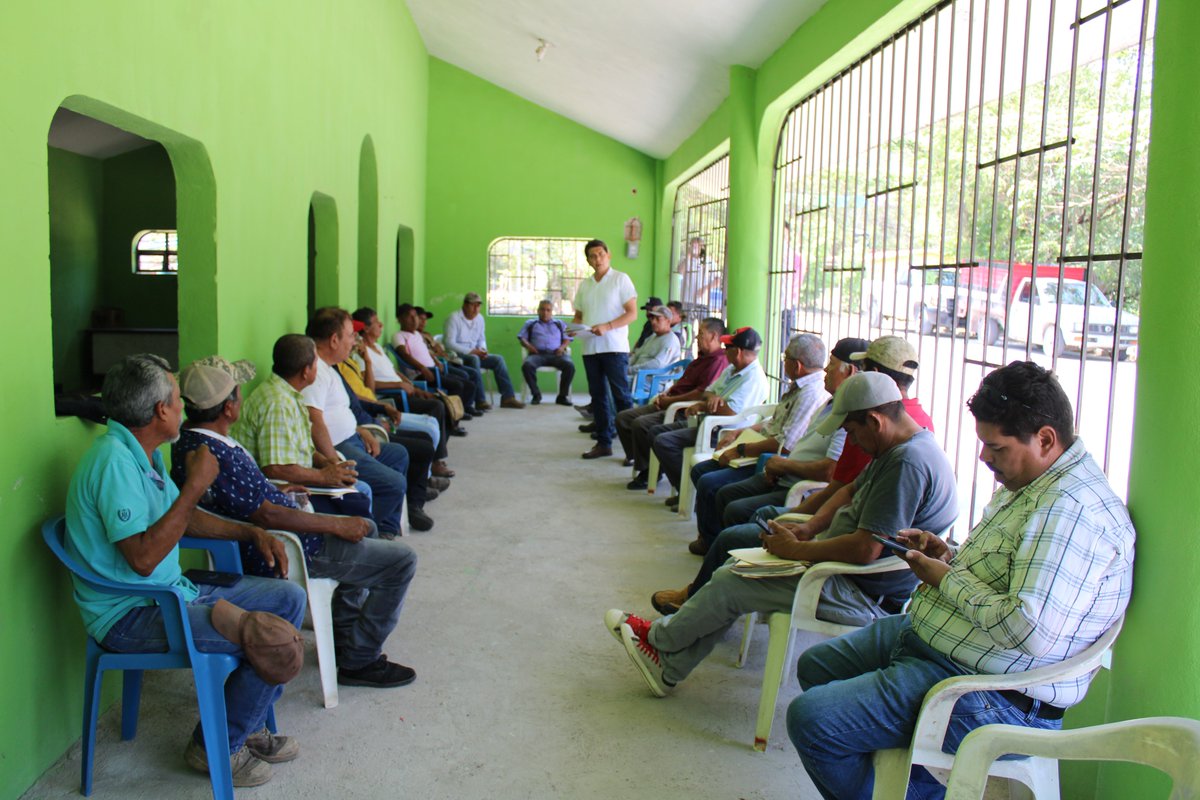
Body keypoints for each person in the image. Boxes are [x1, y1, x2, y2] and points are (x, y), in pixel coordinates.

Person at [787, 361, 1135, 800]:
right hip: (943, 641)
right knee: (816, 667)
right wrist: (947, 556)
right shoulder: (1033, 482)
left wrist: (947, 579)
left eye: (996, 447)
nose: (984, 458)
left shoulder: (1070, 511)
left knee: (812, 721)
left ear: (1045, 439)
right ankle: (899, 779)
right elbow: (1010, 573)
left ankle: (899, 789)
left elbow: (1030, 629)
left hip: (989, 692)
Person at [605, 371, 959, 700]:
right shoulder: (899, 447)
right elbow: (849, 491)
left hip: (854, 587)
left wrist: (797, 549)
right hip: (839, 567)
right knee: (738, 564)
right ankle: (668, 664)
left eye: (852, 432)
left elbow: (866, 549)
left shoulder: (906, 464)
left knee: (733, 578)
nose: (852, 441)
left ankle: (656, 641)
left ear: (874, 421)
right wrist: (808, 528)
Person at [63, 354, 306, 788]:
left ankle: (243, 721)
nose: (182, 409)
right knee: (276, 640)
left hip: (172, 592)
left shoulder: (145, 453)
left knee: (288, 599)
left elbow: (183, 519)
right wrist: (194, 487)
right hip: (131, 613)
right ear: (160, 410)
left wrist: (250, 533)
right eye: (178, 401)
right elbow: (142, 557)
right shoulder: (114, 462)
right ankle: (217, 746)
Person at [172, 360, 420, 689]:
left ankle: (345, 638)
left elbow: (244, 500)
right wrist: (333, 526)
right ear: (229, 407)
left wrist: (275, 490)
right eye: (237, 393)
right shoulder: (213, 452)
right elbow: (267, 516)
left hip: (281, 531)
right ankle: (361, 659)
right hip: (286, 547)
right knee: (402, 561)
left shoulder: (192, 442)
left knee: (368, 528)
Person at [684, 333, 829, 555]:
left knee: (712, 484)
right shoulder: (798, 386)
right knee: (702, 471)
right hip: (761, 449)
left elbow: (785, 443)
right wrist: (739, 433)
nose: (783, 362)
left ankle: (717, 543)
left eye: (785, 357)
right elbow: (774, 422)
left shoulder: (811, 393)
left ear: (797, 365)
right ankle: (711, 538)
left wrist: (741, 449)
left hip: (769, 459)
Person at [303, 307, 415, 537]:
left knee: (399, 454)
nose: (355, 341)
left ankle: (386, 527)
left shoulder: (330, 368)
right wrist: (333, 462)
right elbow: (315, 420)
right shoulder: (315, 372)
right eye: (350, 335)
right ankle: (365, 534)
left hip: (353, 438)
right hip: (340, 448)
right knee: (394, 484)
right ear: (334, 340)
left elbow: (338, 411)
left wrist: (361, 430)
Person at [651, 326, 771, 503]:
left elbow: (731, 411)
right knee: (657, 432)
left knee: (664, 442)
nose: (724, 351)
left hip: (723, 433)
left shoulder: (754, 379)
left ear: (737, 352)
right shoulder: (731, 369)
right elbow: (707, 392)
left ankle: (687, 492)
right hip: (705, 423)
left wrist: (707, 404)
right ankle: (682, 488)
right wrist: (712, 399)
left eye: (727, 348)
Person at [618, 317, 730, 482]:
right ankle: (643, 460)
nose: (697, 338)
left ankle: (650, 470)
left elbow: (699, 394)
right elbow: (683, 382)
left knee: (641, 424)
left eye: (700, 334)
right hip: (670, 401)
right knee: (623, 418)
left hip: (680, 409)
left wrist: (670, 401)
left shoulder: (718, 361)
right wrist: (667, 394)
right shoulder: (701, 358)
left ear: (713, 336)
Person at [350, 306, 465, 460]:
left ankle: (439, 449)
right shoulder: (361, 354)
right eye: (377, 322)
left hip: (403, 388)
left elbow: (394, 372)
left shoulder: (377, 347)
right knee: (437, 407)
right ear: (366, 328)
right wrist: (398, 385)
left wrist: (412, 385)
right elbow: (370, 387)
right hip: (392, 395)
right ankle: (437, 459)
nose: (381, 325)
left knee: (441, 401)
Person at [574, 239, 639, 459]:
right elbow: (579, 315)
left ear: (608, 255)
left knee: (622, 397)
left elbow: (632, 313)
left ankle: (632, 450)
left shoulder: (621, 279)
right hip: (590, 348)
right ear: (588, 260)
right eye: (592, 256)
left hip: (614, 348)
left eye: (601, 254)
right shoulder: (585, 285)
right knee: (598, 397)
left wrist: (608, 326)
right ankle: (604, 443)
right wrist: (573, 329)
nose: (597, 259)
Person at [393, 303, 479, 416]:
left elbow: (427, 352)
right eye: (410, 317)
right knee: (457, 385)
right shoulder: (399, 336)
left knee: (469, 384)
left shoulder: (418, 335)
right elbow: (404, 355)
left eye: (415, 316)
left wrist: (437, 361)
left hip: (434, 369)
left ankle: (464, 409)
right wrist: (423, 368)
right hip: (420, 373)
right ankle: (452, 417)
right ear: (400, 319)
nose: (415, 320)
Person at [443, 291, 525, 409]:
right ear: (465, 305)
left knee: (498, 359)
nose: (476, 309)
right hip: (457, 356)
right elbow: (449, 343)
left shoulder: (480, 319)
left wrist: (483, 350)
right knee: (474, 358)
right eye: (473, 305)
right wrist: (472, 352)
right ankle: (480, 401)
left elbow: (481, 338)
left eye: (478, 305)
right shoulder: (453, 318)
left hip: (475, 354)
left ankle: (508, 397)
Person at [415, 305, 486, 415]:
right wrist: (439, 355)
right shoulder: (416, 337)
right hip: (437, 365)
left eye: (425, 320)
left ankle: (468, 405)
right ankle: (459, 409)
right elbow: (431, 352)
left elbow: (438, 349)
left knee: (473, 373)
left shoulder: (427, 334)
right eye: (420, 319)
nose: (424, 322)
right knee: (465, 374)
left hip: (447, 360)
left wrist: (440, 353)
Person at [517, 299, 575, 405]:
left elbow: (568, 338)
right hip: (537, 354)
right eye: (543, 310)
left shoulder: (559, 324)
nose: (545, 313)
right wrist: (529, 346)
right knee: (527, 365)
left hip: (556, 354)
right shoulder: (531, 323)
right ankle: (536, 394)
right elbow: (522, 337)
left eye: (548, 310)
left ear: (552, 312)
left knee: (570, 366)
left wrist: (562, 347)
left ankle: (562, 397)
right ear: (538, 310)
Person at [627, 305, 682, 379]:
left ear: (668, 321)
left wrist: (630, 370)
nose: (653, 322)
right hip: (636, 377)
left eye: (658, 319)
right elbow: (637, 355)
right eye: (652, 318)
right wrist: (624, 367)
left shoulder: (671, 340)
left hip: (651, 381)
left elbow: (658, 364)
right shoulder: (652, 337)